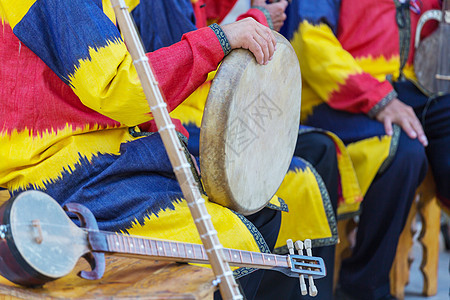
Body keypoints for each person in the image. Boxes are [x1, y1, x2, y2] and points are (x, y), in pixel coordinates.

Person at [0, 1, 293, 299]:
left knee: (262, 208)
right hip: (57, 173)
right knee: (237, 234)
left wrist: (170, 138)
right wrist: (223, 37)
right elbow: (119, 87)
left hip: (109, 152)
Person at [133, 1, 365, 299]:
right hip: (188, 115)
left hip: (225, 100)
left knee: (322, 149)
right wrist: (257, 20)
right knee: (296, 181)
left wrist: (257, 15)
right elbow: (183, 57)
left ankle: (315, 292)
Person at [279, 0, 449, 299]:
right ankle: (364, 286)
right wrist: (377, 98)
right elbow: (310, 39)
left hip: (420, 85)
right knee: (404, 153)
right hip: (336, 90)